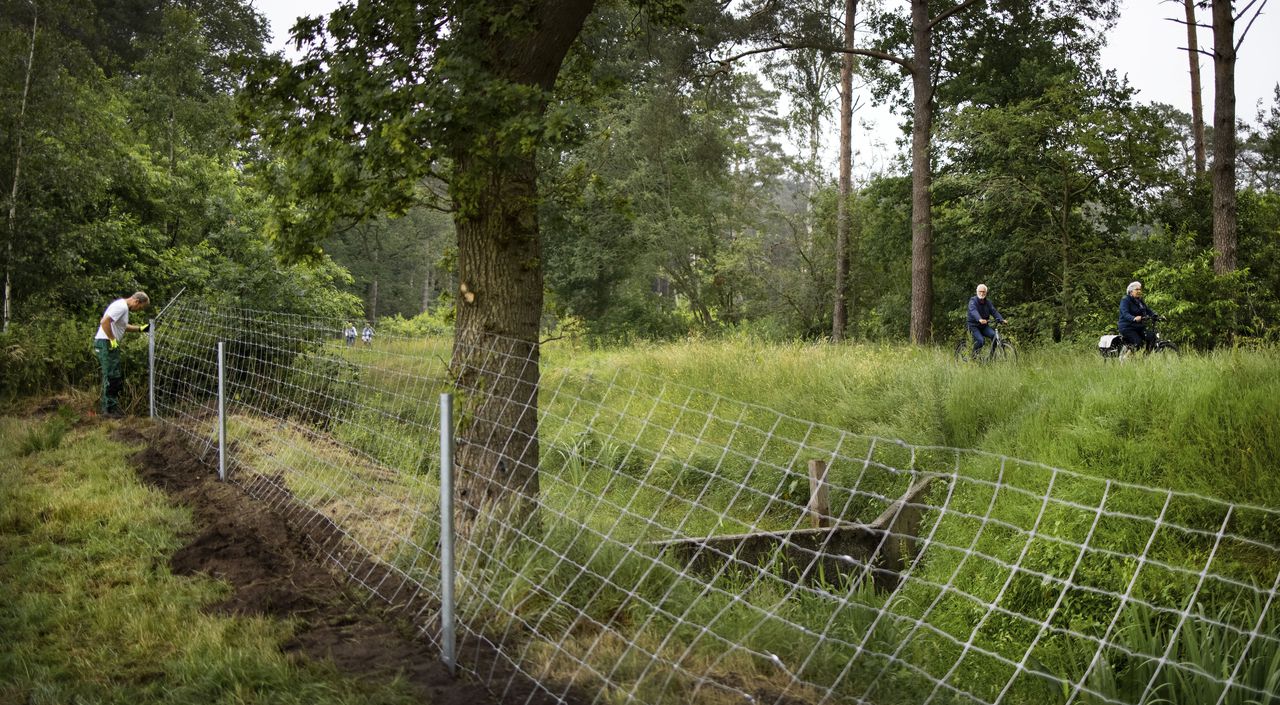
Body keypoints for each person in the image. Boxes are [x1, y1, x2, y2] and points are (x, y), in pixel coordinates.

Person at [93, 291, 150, 417]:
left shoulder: (121, 306)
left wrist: (141, 328)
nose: (139, 310)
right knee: (112, 377)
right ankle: (109, 411)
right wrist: (112, 339)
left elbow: (122, 326)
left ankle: (108, 408)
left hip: (106, 342)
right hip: (106, 343)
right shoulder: (121, 307)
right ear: (136, 301)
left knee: (113, 376)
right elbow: (104, 322)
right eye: (140, 307)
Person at [967, 283, 1007, 358]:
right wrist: (979, 319)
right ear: (977, 292)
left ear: (986, 292)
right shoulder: (973, 301)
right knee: (981, 341)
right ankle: (973, 356)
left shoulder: (988, 302)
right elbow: (973, 311)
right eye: (980, 291)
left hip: (984, 326)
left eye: (983, 292)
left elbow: (994, 311)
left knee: (995, 336)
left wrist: (1001, 320)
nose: (982, 293)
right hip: (973, 326)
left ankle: (991, 357)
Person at [1118, 281, 1159, 352]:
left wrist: (1155, 316)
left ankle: (1145, 358)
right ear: (1131, 291)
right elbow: (1125, 313)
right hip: (1127, 327)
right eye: (1137, 289)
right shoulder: (1125, 300)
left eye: (1140, 289)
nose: (1139, 291)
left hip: (1138, 327)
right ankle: (1125, 360)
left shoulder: (1139, 301)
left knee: (1152, 337)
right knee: (1138, 343)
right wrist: (1133, 318)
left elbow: (1147, 310)